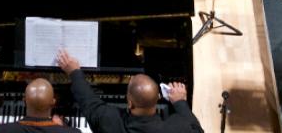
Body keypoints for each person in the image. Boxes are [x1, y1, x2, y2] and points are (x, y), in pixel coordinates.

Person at [55, 49, 204, 132]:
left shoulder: (109, 121)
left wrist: (74, 72)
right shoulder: (177, 127)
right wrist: (180, 102)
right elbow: (197, 130)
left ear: (130, 103)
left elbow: (88, 101)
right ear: (158, 96)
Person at [0, 78, 82, 133]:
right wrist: (61, 128)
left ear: (24, 101)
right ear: (53, 102)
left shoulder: (0, 130)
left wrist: (0, 129)